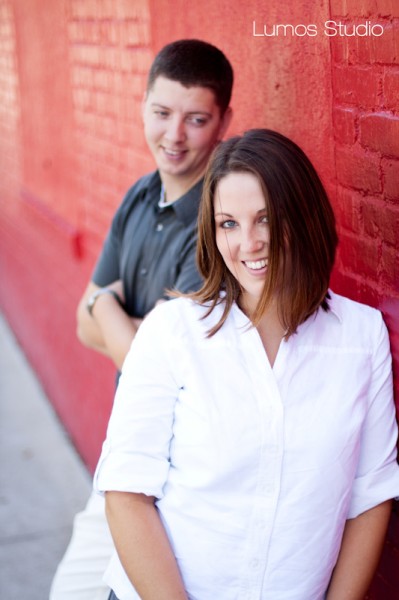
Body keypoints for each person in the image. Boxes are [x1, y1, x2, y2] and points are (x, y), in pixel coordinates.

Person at [94, 129, 399, 600]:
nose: (249, 242)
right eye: (229, 224)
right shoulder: (172, 331)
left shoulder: (362, 337)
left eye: (265, 219)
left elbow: (371, 494)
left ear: (303, 216)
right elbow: (127, 493)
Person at [49, 39, 233, 600]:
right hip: (126, 448)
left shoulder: (219, 223)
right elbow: (81, 329)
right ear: (143, 106)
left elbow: (145, 360)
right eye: (161, 113)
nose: (173, 136)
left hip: (181, 473)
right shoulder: (139, 195)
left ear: (224, 121)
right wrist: (108, 314)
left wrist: (104, 302)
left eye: (196, 119)